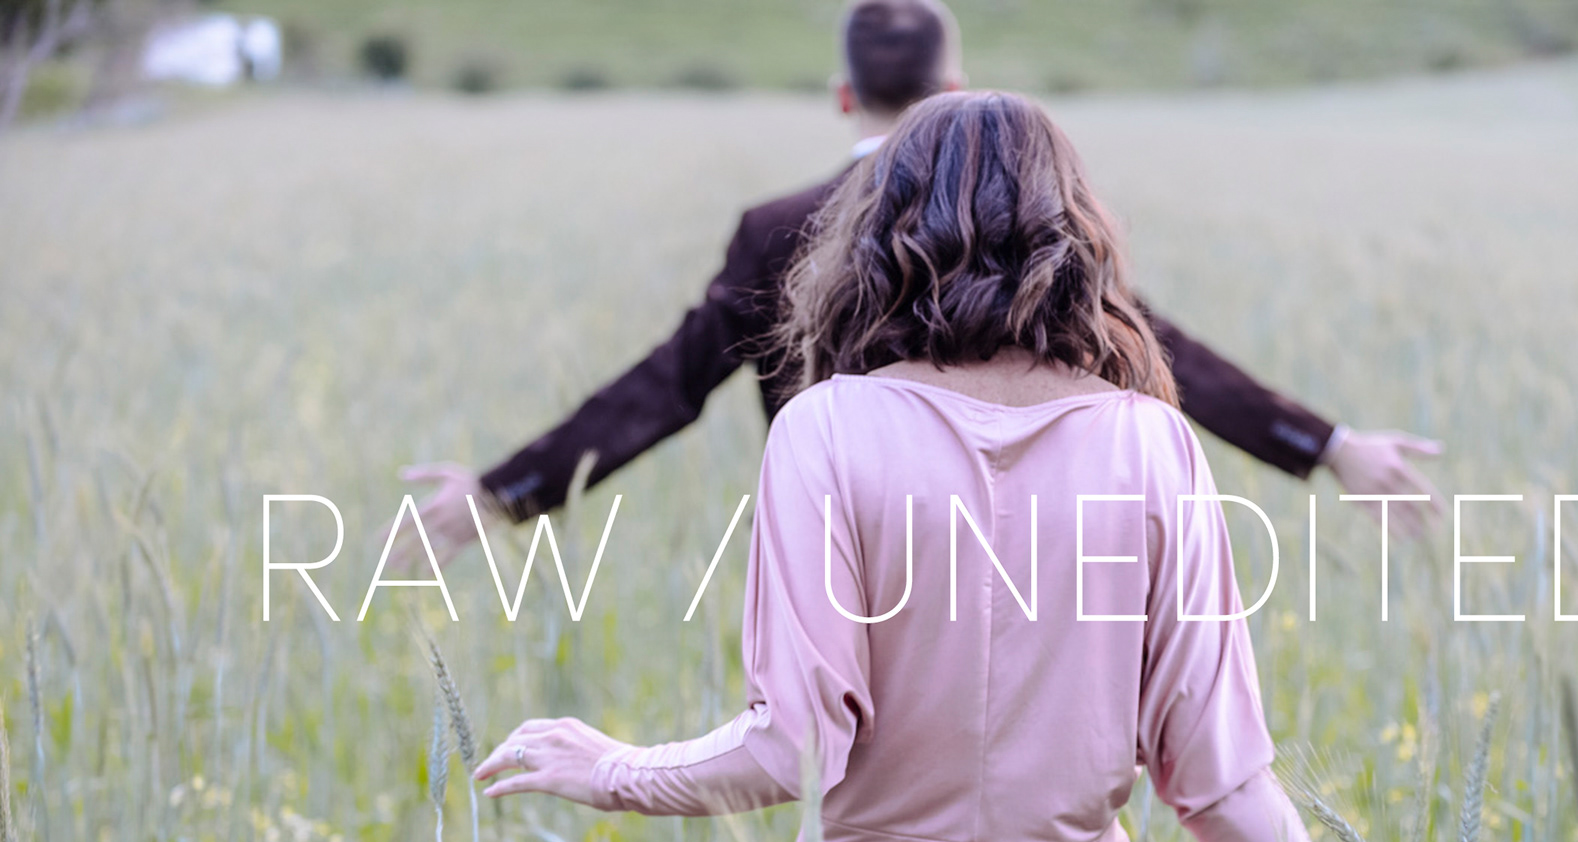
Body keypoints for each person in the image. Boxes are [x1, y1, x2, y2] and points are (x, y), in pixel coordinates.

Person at [475, 90, 1463, 842]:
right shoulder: (1153, 444)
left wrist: (615, 768)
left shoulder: (825, 432)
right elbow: (1225, 787)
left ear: (881, 232)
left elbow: (794, 745)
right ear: (1071, 235)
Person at [400, 0, 1440, 564]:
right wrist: (1329, 446)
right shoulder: (1025, 210)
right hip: (1020, 560)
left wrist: (501, 495)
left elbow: (664, 387)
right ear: (955, 89)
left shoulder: (775, 231)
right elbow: (1157, 351)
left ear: (843, 94)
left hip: (837, 559)